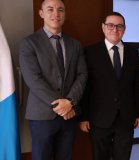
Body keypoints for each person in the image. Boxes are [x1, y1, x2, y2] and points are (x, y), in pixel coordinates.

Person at [19, 0, 88, 159]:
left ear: (65, 14)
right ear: (41, 13)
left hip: (69, 115)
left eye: (60, 10)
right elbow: (33, 80)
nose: (56, 13)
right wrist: (61, 105)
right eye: (50, 9)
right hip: (42, 115)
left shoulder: (75, 44)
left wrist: (70, 101)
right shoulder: (29, 43)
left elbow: (82, 74)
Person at [79, 12, 139, 160]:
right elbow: (85, 86)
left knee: (123, 156)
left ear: (124, 29)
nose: (115, 29)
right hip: (98, 118)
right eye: (110, 25)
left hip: (126, 117)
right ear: (103, 27)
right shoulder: (90, 52)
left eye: (119, 26)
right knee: (100, 156)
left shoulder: (133, 53)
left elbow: (135, 84)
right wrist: (83, 117)